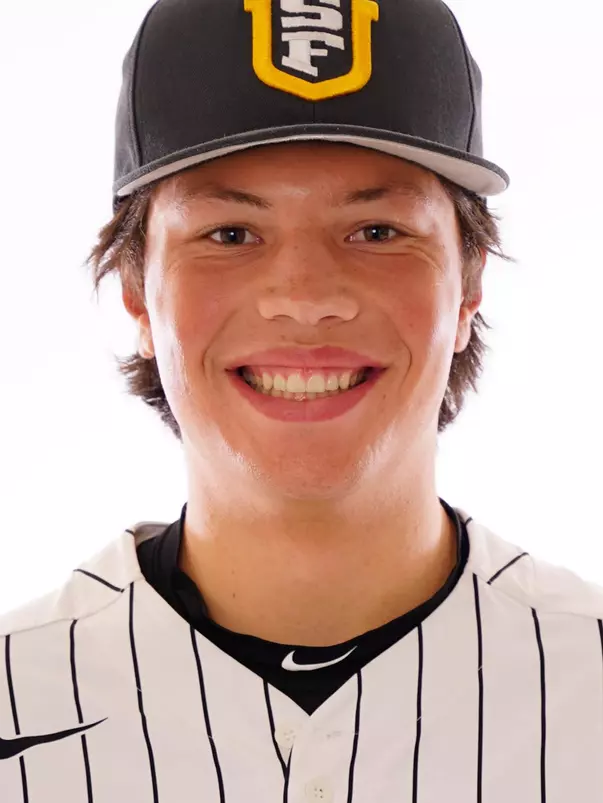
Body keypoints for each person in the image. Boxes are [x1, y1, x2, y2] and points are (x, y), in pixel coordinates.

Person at [1, 0, 601, 800]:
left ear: (469, 284)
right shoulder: (20, 690)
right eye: (230, 235)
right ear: (137, 293)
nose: (305, 298)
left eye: (378, 231)